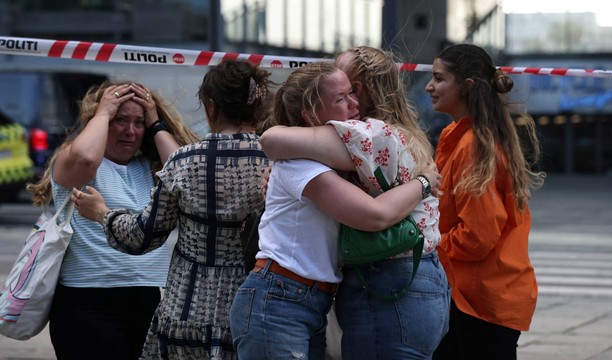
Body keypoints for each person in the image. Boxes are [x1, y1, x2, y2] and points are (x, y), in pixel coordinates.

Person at [229, 61, 435, 360]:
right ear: (310, 114)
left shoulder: (320, 159)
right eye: (341, 99)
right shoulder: (300, 164)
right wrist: (425, 182)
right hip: (279, 298)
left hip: (303, 299)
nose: (354, 104)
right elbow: (374, 215)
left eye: (352, 93)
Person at [71, 60, 273, 359]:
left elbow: (142, 236)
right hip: (255, 307)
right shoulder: (278, 161)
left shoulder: (185, 162)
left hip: (186, 311)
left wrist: (102, 212)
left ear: (211, 108)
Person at [25, 81, 198, 359]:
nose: (130, 131)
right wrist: (103, 112)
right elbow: (83, 157)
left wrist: (155, 121)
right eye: (120, 120)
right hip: (87, 304)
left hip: (147, 302)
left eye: (138, 123)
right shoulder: (76, 160)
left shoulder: (151, 168)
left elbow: (186, 176)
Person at [425, 44, 546, 360]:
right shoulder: (461, 135)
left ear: (466, 87)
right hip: (476, 294)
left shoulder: (474, 145)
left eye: (438, 78)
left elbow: (477, 237)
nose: (429, 86)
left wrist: (428, 244)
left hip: (482, 299)